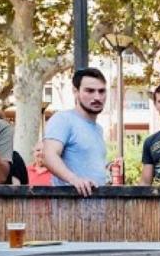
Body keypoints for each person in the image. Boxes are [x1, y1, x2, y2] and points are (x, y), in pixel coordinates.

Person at [43, 67, 110, 196]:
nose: (97, 97)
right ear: (75, 91)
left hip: (97, 209)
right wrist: (74, 179)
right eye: (90, 91)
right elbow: (48, 156)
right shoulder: (63, 119)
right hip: (69, 208)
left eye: (101, 91)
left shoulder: (98, 129)